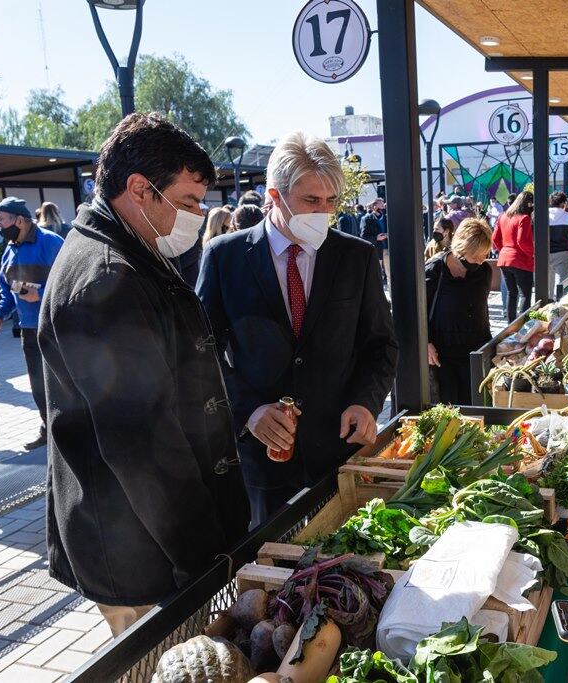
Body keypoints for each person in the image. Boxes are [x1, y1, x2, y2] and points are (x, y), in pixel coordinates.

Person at [38, 113, 250, 636]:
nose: (198, 216)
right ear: (138, 189)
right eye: (186, 201)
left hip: (142, 536)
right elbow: (142, 444)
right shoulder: (107, 277)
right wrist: (200, 556)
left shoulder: (125, 252)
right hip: (137, 546)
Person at [197, 131, 397, 527]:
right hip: (262, 458)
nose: (323, 212)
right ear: (274, 196)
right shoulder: (224, 257)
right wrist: (247, 411)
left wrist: (365, 402)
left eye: (331, 201)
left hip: (337, 450)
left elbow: (381, 345)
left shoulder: (356, 257)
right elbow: (199, 352)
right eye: (311, 200)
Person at [0, 196, 64, 450]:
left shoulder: (50, 242)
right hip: (29, 329)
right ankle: (49, 431)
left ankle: (74, 432)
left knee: (64, 383)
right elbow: (6, 293)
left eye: (2, 220)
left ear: (19, 220)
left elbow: (70, 280)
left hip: (57, 327)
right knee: (39, 386)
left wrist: (40, 294)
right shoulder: (9, 250)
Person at [425, 218, 493, 404]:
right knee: (449, 411)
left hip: (475, 352)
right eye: (476, 255)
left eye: (485, 255)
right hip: (442, 356)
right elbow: (417, 311)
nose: (481, 260)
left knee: (477, 409)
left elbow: (482, 310)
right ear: (462, 248)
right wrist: (426, 342)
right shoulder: (435, 270)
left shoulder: (484, 271)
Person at [492, 191, 535, 321]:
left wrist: (504, 251)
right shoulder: (524, 218)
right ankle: (522, 326)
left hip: (505, 259)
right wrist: (531, 254)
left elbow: (495, 238)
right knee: (525, 295)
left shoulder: (503, 216)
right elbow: (522, 241)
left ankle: (510, 326)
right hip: (520, 260)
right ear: (529, 205)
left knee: (512, 293)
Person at [547, 191, 568, 291]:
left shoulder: (543, 216)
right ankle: (559, 301)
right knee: (562, 283)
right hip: (563, 254)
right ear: (562, 203)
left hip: (546, 253)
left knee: (548, 283)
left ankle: (548, 302)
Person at [360, 201, 389, 286]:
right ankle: (379, 298)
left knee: (390, 274)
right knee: (377, 276)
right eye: (381, 204)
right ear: (375, 206)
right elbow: (363, 237)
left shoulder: (387, 218)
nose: (383, 205)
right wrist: (376, 238)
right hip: (376, 250)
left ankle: (392, 297)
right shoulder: (366, 219)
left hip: (388, 249)